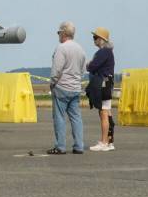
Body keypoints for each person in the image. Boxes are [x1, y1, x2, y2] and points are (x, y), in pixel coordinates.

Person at [48, 20, 88, 155]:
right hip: (75, 88)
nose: (58, 35)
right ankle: (79, 146)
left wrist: (52, 83)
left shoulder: (61, 48)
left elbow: (56, 70)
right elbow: (83, 71)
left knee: (59, 117)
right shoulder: (80, 49)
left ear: (64, 33)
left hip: (62, 87)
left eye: (59, 32)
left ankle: (60, 146)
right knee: (76, 118)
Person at [86, 27, 116, 152]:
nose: (94, 40)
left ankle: (104, 142)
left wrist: (88, 64)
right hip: (108, 83)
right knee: (107, 112)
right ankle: (109, 141)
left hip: (103, 84)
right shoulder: (109, 52)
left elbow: (92, 66)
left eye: (95, 37)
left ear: (102, 39)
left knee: (103, 112)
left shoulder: (103, 52)